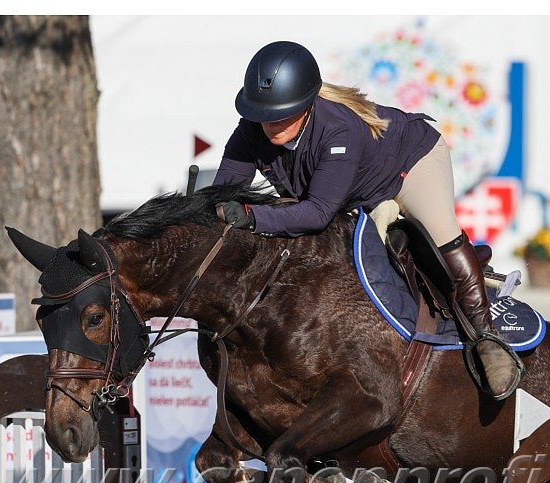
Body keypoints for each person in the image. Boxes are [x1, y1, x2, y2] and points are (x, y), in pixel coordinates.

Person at [213, 40, 523, 400]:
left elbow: (316, 213)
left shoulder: (339, 129)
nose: (269, 124)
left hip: (411, 167)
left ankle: (487, 338)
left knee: (441, 235)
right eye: (263, 113)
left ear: (307, 104)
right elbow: (223, 194)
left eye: (281, 114)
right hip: (354, 193)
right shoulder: (252, 128)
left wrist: (251, 216)